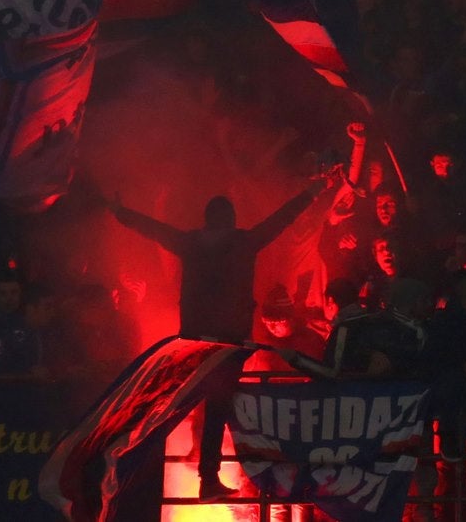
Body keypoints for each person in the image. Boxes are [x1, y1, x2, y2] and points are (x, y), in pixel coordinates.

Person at [107, 176, 334, 498]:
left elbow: (154, 229)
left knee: (179, 404)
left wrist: (121, 212)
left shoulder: (189, 242)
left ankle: (136, 471)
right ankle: (206, 478)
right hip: (229, 343)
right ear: (232, 220)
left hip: (193, 339)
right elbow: (281, 219)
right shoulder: (244, 242)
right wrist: (312, 191)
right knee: (217, 405)